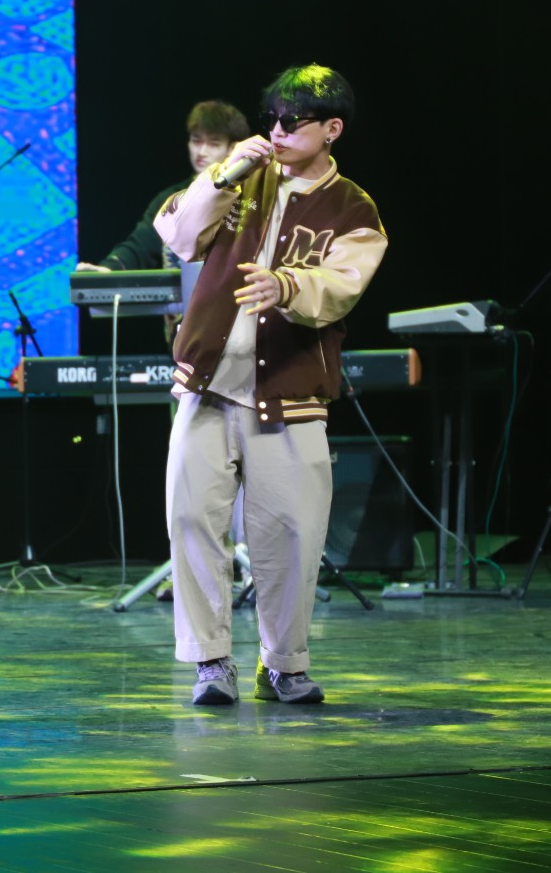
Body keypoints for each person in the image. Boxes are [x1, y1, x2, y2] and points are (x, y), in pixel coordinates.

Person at [155, 64, 386, 706]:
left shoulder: (353, 207)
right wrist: (222, 174)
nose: (278, 132)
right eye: (273, 120)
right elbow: (178, 235)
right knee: (192, 519)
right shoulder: (241, 177)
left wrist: (285, 285)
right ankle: (210, 662)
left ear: (331, 129)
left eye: (293, 122)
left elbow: (342, 286)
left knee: (290, 533)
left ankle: (283, 663)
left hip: (290, 389)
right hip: (208, 382)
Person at [77, 100, 250, 272]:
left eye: (214, 144)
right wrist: (108, 268)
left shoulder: (250, 196)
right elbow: (141, 245)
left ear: (232, 148)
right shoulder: (171, 198)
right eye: (196, 141)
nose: (202, 152)